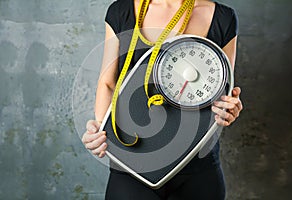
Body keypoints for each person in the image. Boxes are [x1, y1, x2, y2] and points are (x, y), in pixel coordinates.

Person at [82, 0, 243, 199]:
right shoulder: (121, 11)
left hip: (197, 167)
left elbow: (221, 91)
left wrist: (228, 110)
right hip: (132, 164)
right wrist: (101, 131)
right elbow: (108, 83)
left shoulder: (223, 18)